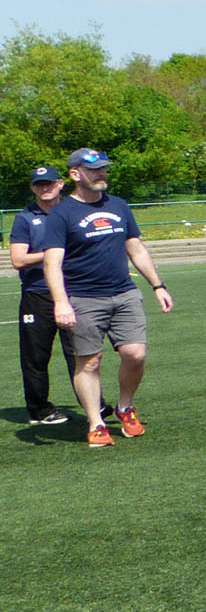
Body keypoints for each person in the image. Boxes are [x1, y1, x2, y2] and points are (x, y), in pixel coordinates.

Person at [42, 148, 174, 448]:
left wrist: (158, 285)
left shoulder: (118, 205)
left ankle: (125, 407)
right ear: (75, 174)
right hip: (83, 298)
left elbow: (136, 248)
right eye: (94, 169)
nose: (101, 173)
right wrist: (61, 302)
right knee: (89, 362)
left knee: (135, 354)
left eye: (103, 168)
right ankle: (96, 423)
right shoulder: (61, 213)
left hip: (124, 293)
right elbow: (52, 263)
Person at [11, 165, 76, 424]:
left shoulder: (73, 212)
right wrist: (52, 253)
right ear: (32, 188)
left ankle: (95, 404)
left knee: (82, 352)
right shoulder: (25, 218)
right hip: (37, 294)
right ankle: (40, 410)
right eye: (39, 184)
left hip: (73, 292)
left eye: (49, 183)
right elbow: (18, 259)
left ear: (61, 183)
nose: (45, 188)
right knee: (35, 357)